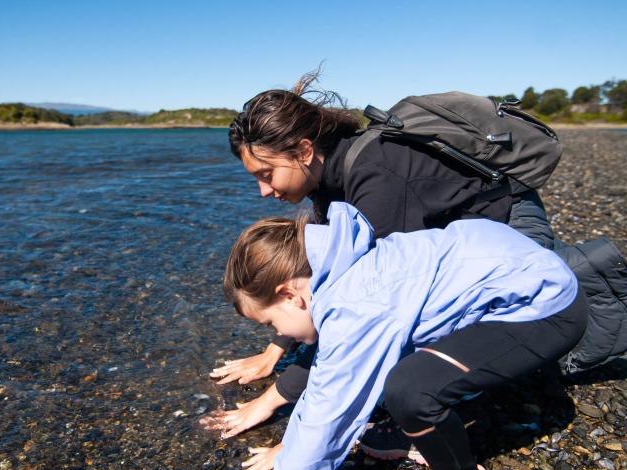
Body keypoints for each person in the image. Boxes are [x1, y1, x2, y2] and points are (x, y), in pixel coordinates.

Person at [205, 71, 626, 450]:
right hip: (464, 233)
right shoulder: (328, 183)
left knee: (421, 331)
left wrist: (276, 400)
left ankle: (477, 408)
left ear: (303, 149)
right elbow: (312, 281)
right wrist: (275, 348)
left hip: (508, 221)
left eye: (266, 174)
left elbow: (364, 312)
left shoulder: (376, 178)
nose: (263, 191)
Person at [221, 202, 587, 470]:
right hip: (520, 274)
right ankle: (413, 433)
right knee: (383, 361)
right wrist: (289, 445)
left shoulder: (355, 304)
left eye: (270, 324)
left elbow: (331, 406)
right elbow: (328, 377)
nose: (279, 334)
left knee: (410, 390)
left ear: (289, 294)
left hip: (545, 308)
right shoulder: (342, 264)